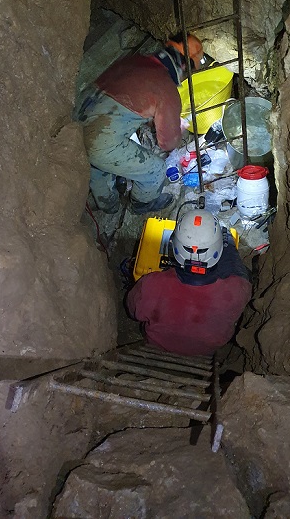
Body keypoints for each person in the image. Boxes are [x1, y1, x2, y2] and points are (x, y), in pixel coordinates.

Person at [75, 34, 204, 215]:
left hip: (75, 123)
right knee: (156, 170)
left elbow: (128, 99)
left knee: (97, 164)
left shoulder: (134, 60)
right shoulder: (166, 88)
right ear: (185, 66)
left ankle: (108, 205)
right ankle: (141, 204)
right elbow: (167, 143)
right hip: (100, 141)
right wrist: (178, 128)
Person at [126, 209, 252, 356]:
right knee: (240, 268)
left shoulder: (151, 284)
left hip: (157, 345)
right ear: (218, 250)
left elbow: (132, 311)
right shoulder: (238, 290)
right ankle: (227, 238)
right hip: (206, 351)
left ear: (175, 246)